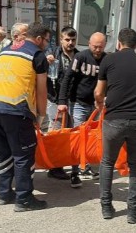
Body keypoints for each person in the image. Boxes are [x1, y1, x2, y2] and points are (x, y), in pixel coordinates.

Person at [0, 22, 51, 212]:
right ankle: (24, 199)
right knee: (23, 155)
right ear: (38, 39)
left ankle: (4, 194)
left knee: (2, 153)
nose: (47, 44)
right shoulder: (37, 55)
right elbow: (41, 90)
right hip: (15, 108)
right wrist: (41, 115)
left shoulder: (6, 50)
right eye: (46, 40)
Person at [94, 28, 136, 224]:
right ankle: (133, 211)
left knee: (107, 162)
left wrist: (100, 103)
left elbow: (99, 92)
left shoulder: (108, 60)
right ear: (135, 45)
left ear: (119, 43)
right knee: (135, 163)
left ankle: (106, 207)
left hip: (114, 119)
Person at [57, 32, 107, 188]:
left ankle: (86, 166)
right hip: (78, 103)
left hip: (97, 105)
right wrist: (62, 101)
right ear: (89, 44)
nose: (97, 50)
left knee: (94, 138)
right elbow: (67, 78)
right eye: (95, 46)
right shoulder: (81, 57)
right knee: (79, 138)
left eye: (100, 47)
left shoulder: (107, 59)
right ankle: (74, 172)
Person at [45, 26, 79, 181]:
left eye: (73, 40)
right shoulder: (53, 55)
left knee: (71, 133)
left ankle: (72, 165)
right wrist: (47, 61)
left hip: (73, 100)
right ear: (61, 39)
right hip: (55, 100)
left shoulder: (79, 56)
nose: (70, 43)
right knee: (56, 134)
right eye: (67, 39)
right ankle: (55, 167)